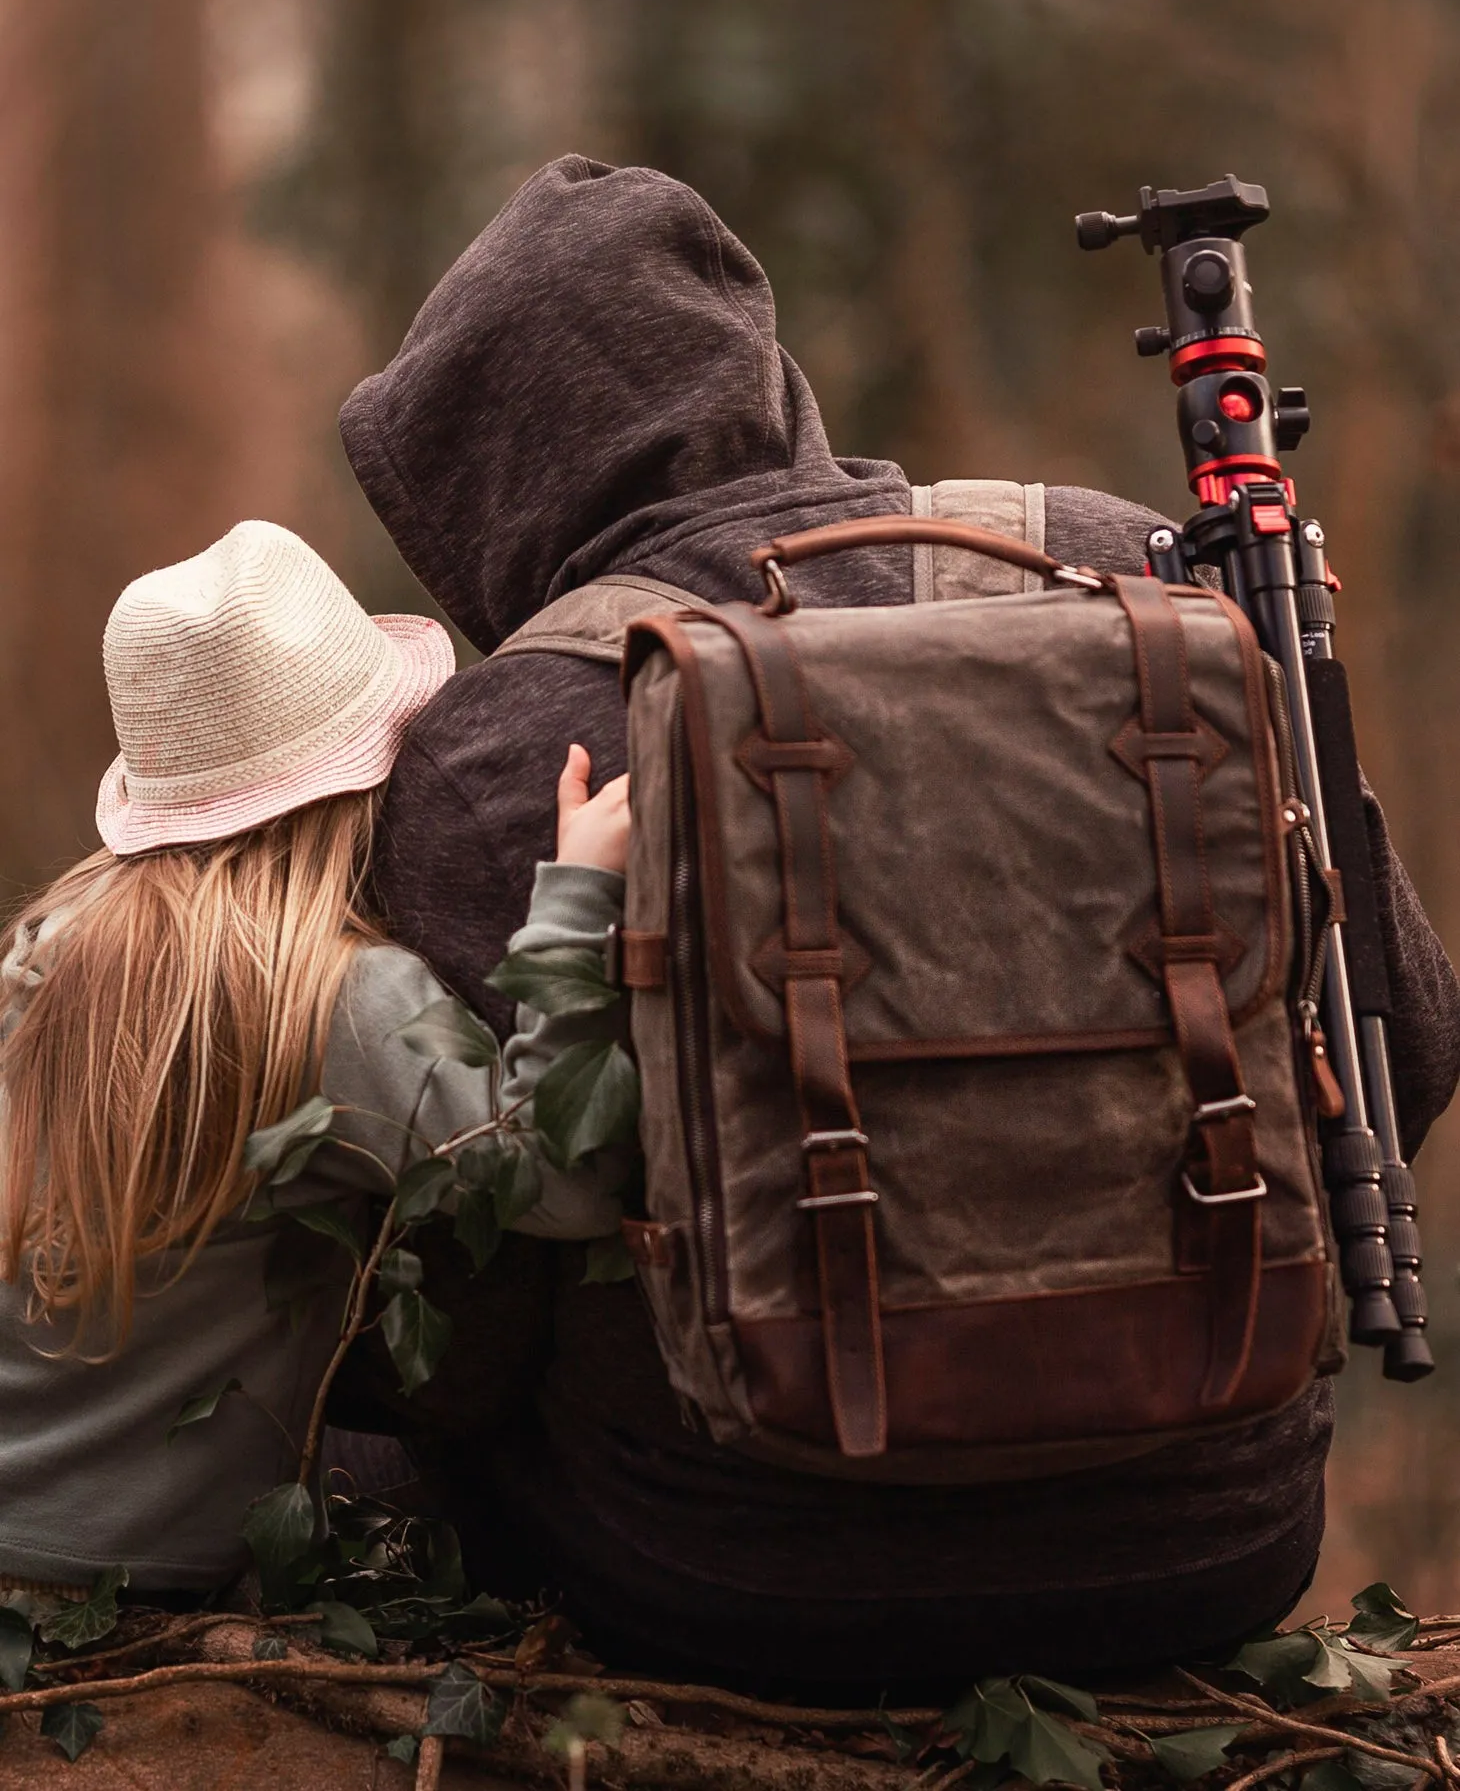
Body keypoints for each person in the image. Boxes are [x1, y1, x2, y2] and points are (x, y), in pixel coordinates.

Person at [339, 155, 1460, 1689]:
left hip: (727, 1574)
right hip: (1210, 1535)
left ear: (489, 478)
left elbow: (464, 1324)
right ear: (765, 383)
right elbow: (1413, 1029)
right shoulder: (1145, 573)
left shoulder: (495, 744)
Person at [0, 520, 625, 1599]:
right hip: (133, 1580)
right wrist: (577, 900)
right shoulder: (329, 995)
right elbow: (562, 1184)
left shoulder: (45, 949)